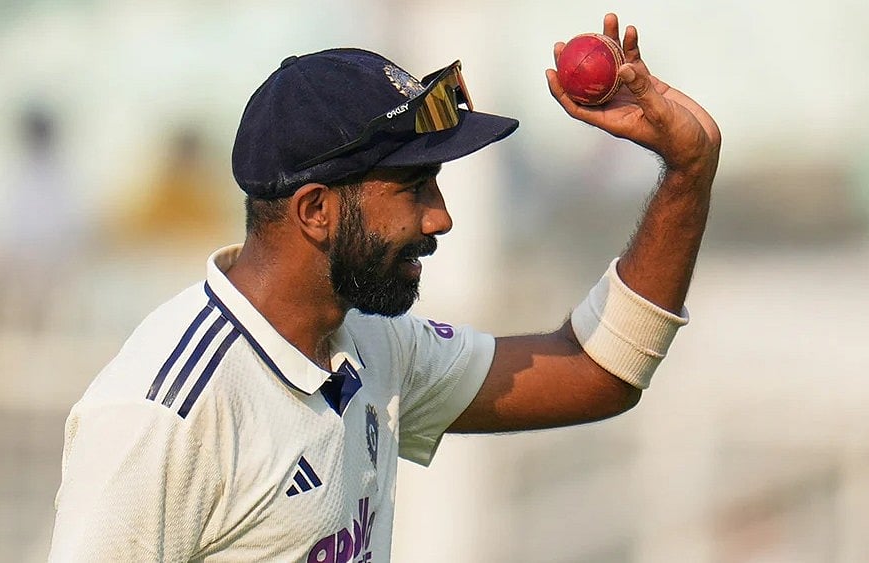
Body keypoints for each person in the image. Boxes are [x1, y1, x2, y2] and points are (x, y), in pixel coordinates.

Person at [48, 13, 720, 562]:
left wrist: (688, 171)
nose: (441, 217)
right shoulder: (165, 413)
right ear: (316, 211)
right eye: (413, 187)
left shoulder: (366, 342)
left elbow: (599, 371)